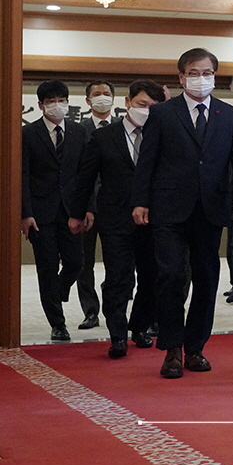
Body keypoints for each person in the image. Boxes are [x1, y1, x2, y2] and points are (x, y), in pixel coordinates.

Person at [132, 48, 233, 379]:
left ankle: (195, 348)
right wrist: (140, 201)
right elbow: (147, 161)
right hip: (168, 209)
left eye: (207, 73)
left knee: (207, 279)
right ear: (181, 77)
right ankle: (172, 349)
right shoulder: (163, 113)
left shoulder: (229, 114)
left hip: (211, 209)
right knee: (170, 277)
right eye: (194, 73)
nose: (201, 79)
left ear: (215, 76)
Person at [71, 80, 167, 358]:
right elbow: (85, 179)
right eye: (142, 104)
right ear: (127, 102)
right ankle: (117, 335)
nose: (147, 111)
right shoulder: (104, 137)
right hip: (115, 219)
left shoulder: (161, 136)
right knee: (118, 278)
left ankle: (139, 327)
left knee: (151, 278)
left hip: (153, 219)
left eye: (153, 106)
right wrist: (77, 214)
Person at [21, 80, 87, 342]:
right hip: (40, 213)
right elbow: (22, 175)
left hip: (72, 210)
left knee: (76, 262)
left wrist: (86, 209)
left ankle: (57, 290)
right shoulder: (28, 134)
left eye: (62, 99)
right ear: (40, 105)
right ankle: (58, 324)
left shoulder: (80, 132)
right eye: (51, 101)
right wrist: (25, 213)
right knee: (46, 267)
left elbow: (86, 175)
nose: (57, 105)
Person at [74, 79, 117, 331]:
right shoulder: (79, 130)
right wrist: (84, 207)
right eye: (97, 94)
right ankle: (90, 311)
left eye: (107, 93)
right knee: (84, 262)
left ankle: (116, 307)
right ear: (88, 101)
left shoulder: (123, 128)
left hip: (115, 208)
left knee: (117, 262)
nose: (103, 97)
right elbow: (79, 174)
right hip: (87, 207)